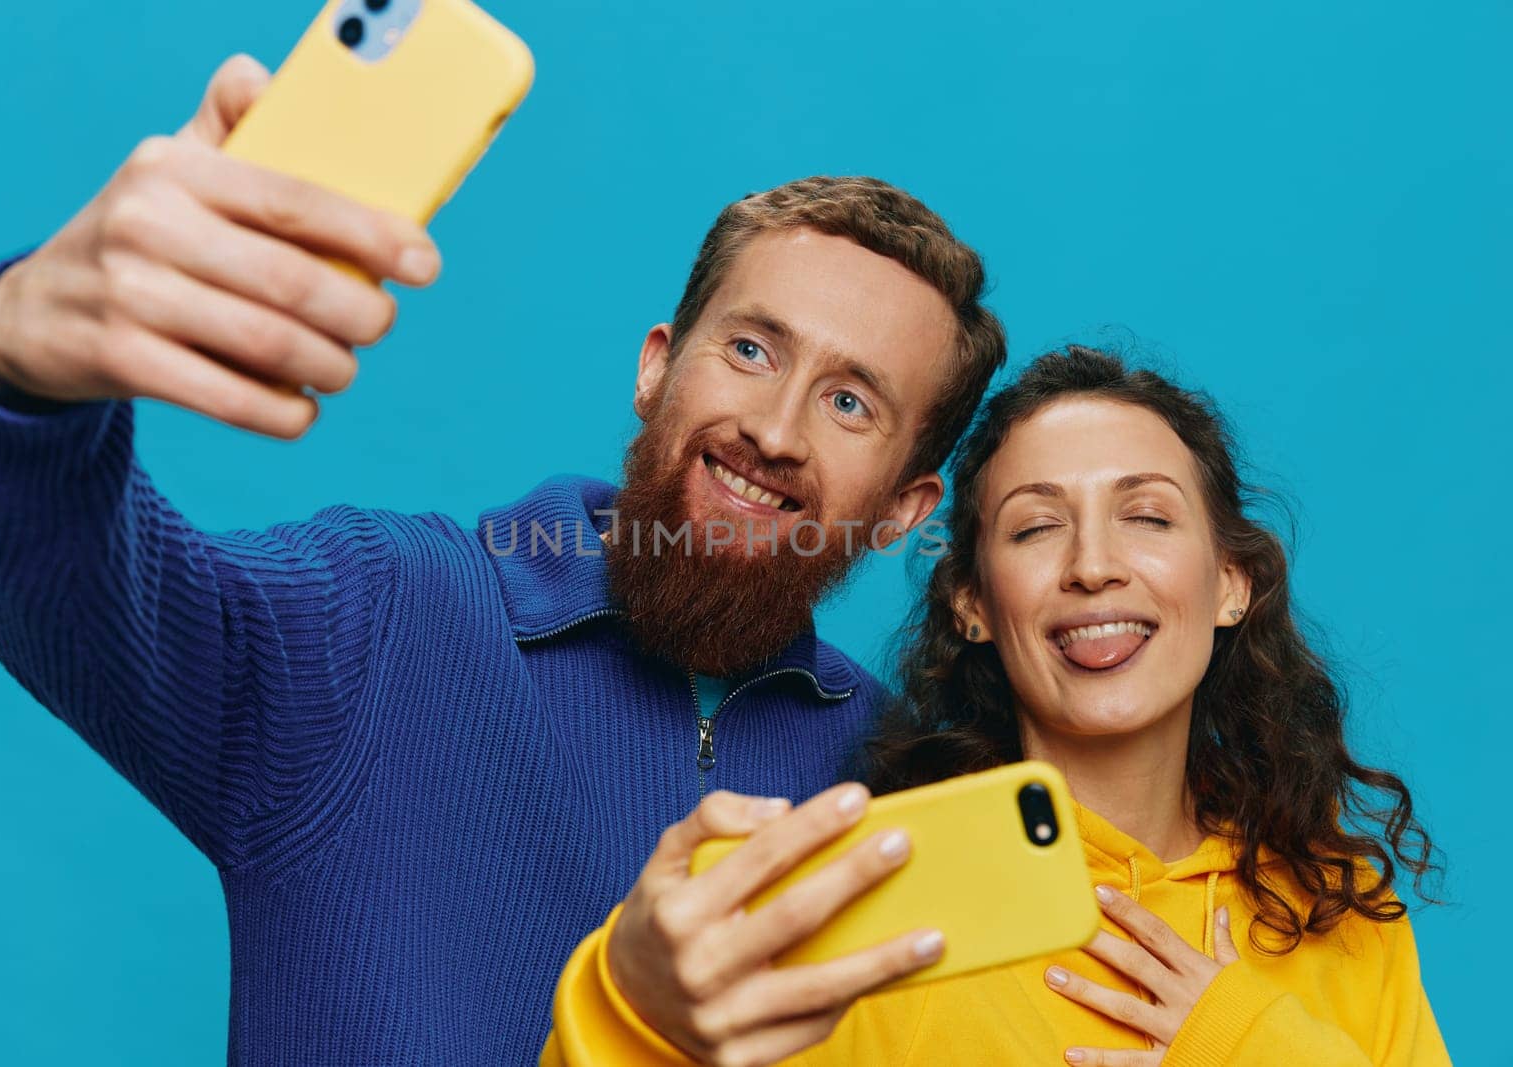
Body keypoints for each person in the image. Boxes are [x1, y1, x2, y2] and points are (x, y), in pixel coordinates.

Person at [0, 56, 1006, 1064]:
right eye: (749, 348)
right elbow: (84, 593)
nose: (775, 429)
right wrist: (27, 386)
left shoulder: (899, 778)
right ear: (655, 367)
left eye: (849, 401)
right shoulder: (384, 615)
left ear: (900, 509)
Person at [544, 346, 1447, 1066]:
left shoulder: (1341, 910)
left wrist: (1251, 1047)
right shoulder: (869, 905)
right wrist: (625, 1002)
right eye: (1036, 526)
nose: (1094, 565)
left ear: (1230, 583)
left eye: (1148, 516)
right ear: (973, 604)